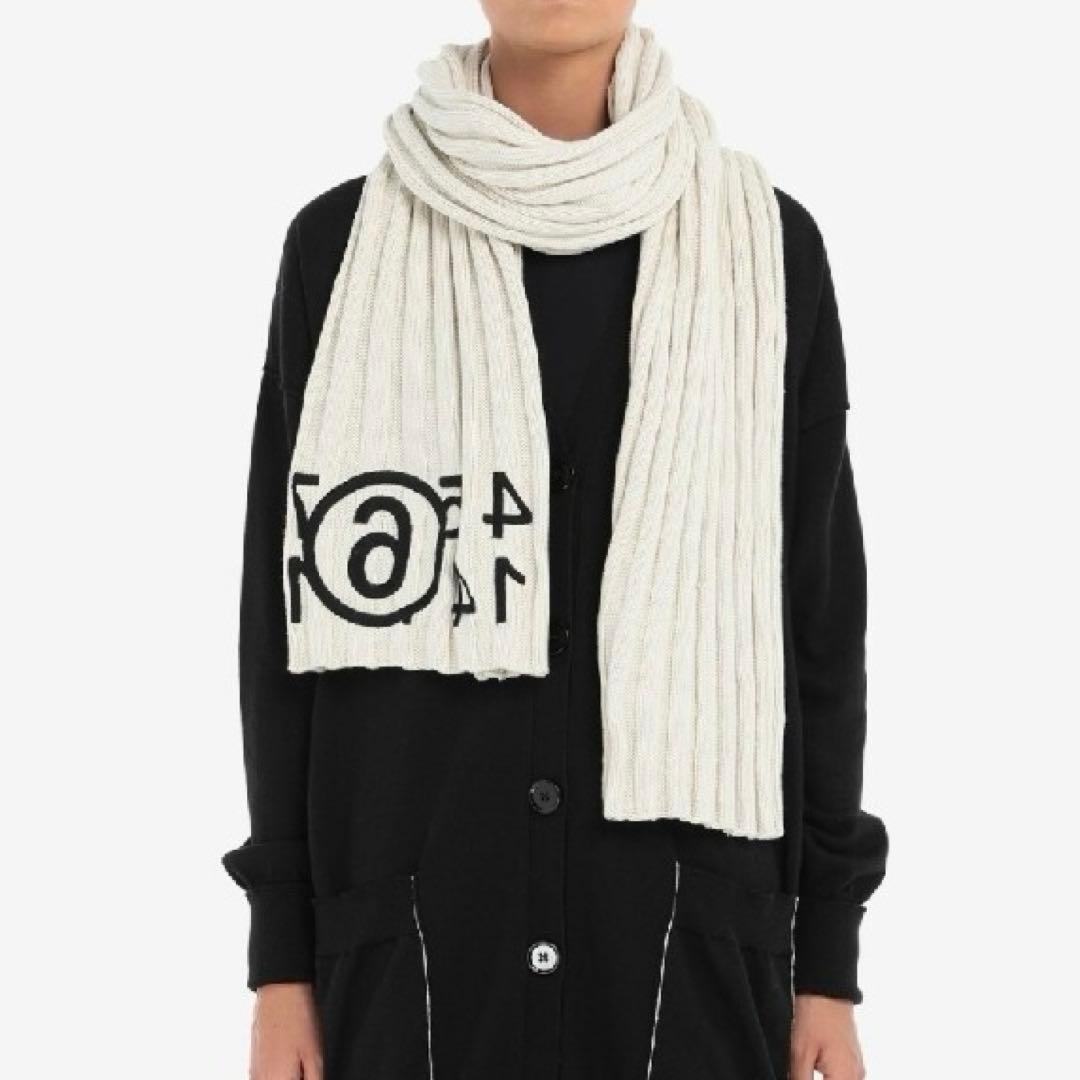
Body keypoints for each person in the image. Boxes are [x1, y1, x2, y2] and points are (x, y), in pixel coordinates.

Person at [222, 2, 888, 1078]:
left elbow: (815, 623)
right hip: (417, 964)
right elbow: (284, 629)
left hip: (686, 959)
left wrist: (828, 964)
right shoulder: (339, 252)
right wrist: (280, 963)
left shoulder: (766, 251)